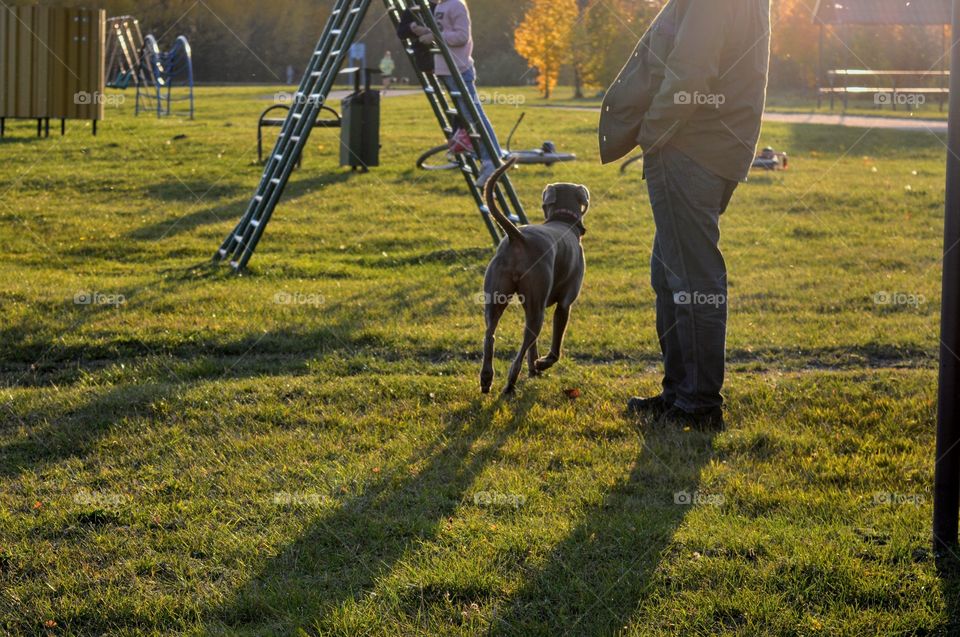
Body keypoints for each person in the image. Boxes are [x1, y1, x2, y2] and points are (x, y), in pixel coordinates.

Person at [598, 0, 771, 431]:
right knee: (671, 275)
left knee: (692, 280)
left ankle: (697, 404)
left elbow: (691, 72)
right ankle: (678, 391)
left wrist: (654, 132)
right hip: (709, 148)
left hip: (689, 149)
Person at [411, 0, 503, 187]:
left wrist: (435, 36)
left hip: (459, 69)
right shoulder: (441, 6)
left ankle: (492, 160)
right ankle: (485, 158)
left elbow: (462, 36)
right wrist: (427, 33)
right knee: (467, 119)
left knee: (474, 115)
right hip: (446, 68)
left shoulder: (456, 5)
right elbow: (443, 32)